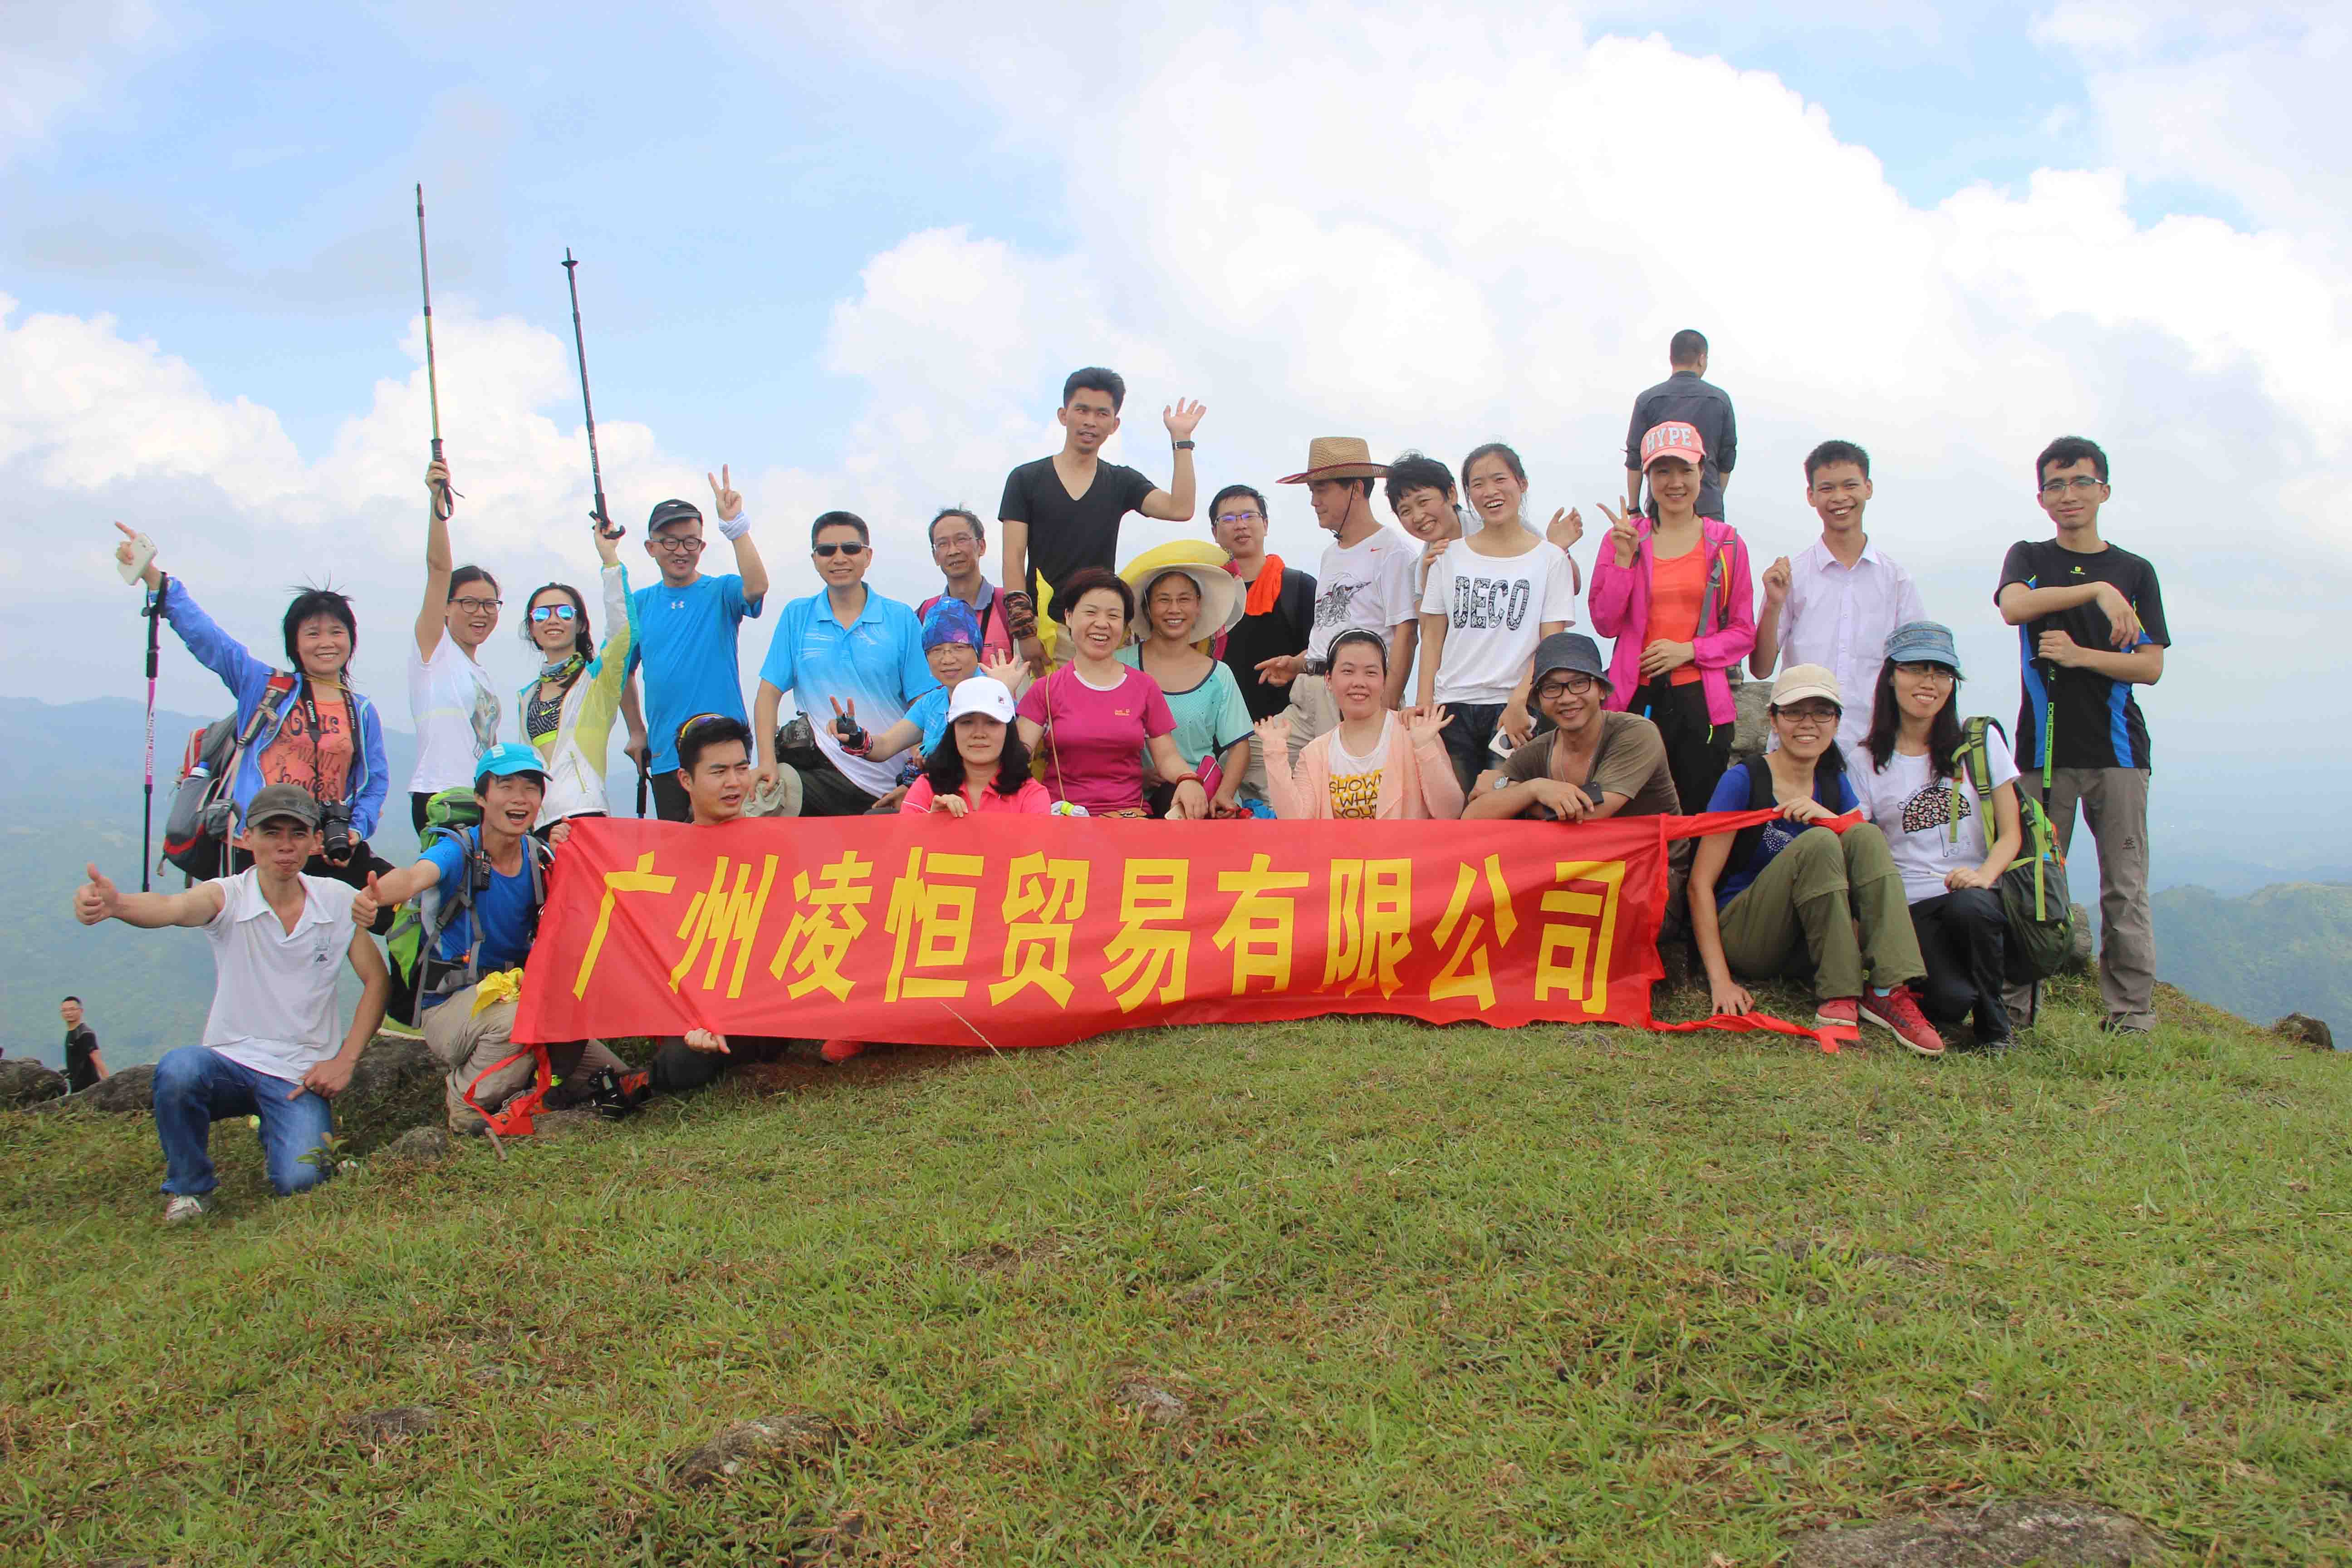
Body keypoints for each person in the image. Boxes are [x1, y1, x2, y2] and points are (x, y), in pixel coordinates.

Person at [71, 784, 389, 1222]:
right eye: (271, 832)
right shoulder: (227, 896)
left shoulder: (336, 900)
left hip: (299, 1074)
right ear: (247, 838)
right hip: (228, 1062)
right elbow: (170, 907)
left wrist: (345, 1060)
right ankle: (190, 1187)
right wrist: (117, 904)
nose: (284, 845)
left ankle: (276, 1128)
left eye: (297, 833)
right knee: (179, 1070)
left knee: (301, 1182)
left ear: (316, 841)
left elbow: (376, 980)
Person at [356, 745, 631, 1132]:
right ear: (482, 798)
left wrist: (571, 844)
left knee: (615, 1076)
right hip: (450, 1006)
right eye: (506, 786)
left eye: (531, 787)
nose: (520, 798)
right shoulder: (459, 851)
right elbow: (416, 876)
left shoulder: (539, 855)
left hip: (513, 998)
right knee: (521, 1022)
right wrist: (378, 895)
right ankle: (466, 1103)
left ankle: (528, 1089)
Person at [116, 526, 396, 903]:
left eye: (337, 632)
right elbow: (210, 641)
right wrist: (155, 578)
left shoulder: (360, 711)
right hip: (255, 846)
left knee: (400, 904)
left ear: (351, 639)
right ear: (295, 643)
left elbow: (373, 782)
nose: (326, 643)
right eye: (312, 633)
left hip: (323, 846)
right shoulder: (266, 687)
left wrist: (356, 830)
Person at [1996, 435, 2168, 1034]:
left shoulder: (2136, 571)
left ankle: (2131, 1016)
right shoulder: (2029, 556)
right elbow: (2016, 607)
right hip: (2041, 753)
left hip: (2119, 753)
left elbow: (2150, 667)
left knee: (2125, 887)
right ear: (2042, 498)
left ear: (2105, 490)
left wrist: (2077, 655)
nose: (2069, 495)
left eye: (2081, 483)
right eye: (2057, 485)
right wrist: (2096, 590)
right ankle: (2013, 1014)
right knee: (2030, 883)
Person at [1686, 666, 1945, 1055]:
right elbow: (1699, 884)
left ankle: (1889, 989)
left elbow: (1863, 849)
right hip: (1746, 936)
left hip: (1803, 942)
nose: (1808, 724)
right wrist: (1720, 981)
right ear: (1773, 720)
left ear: (1837, 722)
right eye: (1794, 712)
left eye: (1821, 713)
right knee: (1821, 841)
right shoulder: (1744, 780)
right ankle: (1839, 992)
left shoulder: (1831, 779)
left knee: (1865, 833)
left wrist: (1829, 817)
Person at [1855, 623, 2021, 1051]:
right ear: (1891, 675)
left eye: (1941, 673)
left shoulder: (1980, 744)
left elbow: (2011, 834)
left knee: (1973, 905)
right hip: (1911, 906)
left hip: (1977, 897)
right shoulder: (1866, 760)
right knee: (1949, 1003)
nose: (1928, 683)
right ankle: (1956, 993)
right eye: (1915, 669)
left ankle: (1995, 1026)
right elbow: (1863, 845)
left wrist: (1984, 875)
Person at [1590, 421, 1757, 824]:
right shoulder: (1625, 538)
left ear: (1703, 473)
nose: (1675, 482)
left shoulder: (1728, 543)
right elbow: (1605, 623)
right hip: (1635, 698)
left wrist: (1689, 651)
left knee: (1696, 816)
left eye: (1685, 470)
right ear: (1647, 478)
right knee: (1629, 816)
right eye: (1662, 471)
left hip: (1703, 701)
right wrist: (1625, 561)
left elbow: (1743, 632)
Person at [999, 368, 1206, 670]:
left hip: (1101, 628)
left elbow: (1180, 508)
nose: (1090, 422)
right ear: (1063, 414)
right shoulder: (1025, 479)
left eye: (1101, 414)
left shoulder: (1121, 481)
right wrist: (1024, 631)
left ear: (1114, 424)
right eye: (1081, 410)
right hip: (1043, 629)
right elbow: (1013, 559)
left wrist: (1182, 440)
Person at [648, 715, 808, 1085]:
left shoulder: (778, 845)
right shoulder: (666, 859)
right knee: (682, 1063)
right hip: (700, 1005)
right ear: (686, 780)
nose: (734, 783)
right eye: (718, 772)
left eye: (741, 768)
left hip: (770, 1002)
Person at [1415, 442, 1580, 791]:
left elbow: (1552, 643)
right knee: (1451, 816)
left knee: (1501, 813)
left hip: (1516, 707)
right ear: (1468, 495)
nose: (1490, 492)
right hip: (1452, 708)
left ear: (1522, 484)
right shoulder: (1448, 556)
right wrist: (1424, 708)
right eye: (1477, 484)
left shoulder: (1551, 560)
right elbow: (1431, 636)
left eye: (1500, 479)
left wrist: (1522, 701)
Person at [751, 512, 939, 817]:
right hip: (820, 772)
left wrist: (917, 779)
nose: (839, 558)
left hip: (888, 779)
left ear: (868, 555)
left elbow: (925, 702)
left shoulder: (901, 618)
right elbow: (768, 693)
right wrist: (766, 763)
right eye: (827, 550)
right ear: (815, 558)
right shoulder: (797, 616)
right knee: (758, 804)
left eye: (850, 548)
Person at [1750, 441, 1926, 757]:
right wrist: (1774, 604)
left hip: (1874, 746)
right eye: (1827, 488)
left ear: (1868, 488)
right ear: (1811, 496)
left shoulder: (1897, 580)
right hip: (1800, 747)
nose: (1840, 498)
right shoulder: (1793, 575)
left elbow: (1915, 668)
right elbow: (1761, 669)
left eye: (1850, 485)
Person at [621, 469, 771, 823]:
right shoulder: (638, 604)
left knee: (737, 855)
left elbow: (758, 587)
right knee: (679, 862)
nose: (681, 551)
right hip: (668, 757)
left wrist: (735, 526)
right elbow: (622, 673)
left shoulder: (721, 591)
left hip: (727, 757)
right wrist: (635, 731)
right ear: (651, 548)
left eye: (691, 541)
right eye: (670, 541)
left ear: (702, 546)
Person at [1270, 437, 1421, 766]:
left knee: (1341, 792)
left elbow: (1407, 634)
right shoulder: (1330, 554)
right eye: (1312, 491)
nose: (1314, 502)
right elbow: (1335, 625)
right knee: (1257, 759)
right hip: (1307, 690)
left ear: (1355, 489)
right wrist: (1297, 663)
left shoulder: (1393, 551)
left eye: (1321, 489)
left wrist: (1388, 706)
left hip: (1352, 692)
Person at [1014, 568, 1210, 818]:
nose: (1102, 623)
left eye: (1114, 615)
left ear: (1125, 627)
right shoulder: (1046, 689)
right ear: (1069, 617)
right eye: (1091, 612)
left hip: (1129, 820)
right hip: (1062, 820)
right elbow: (1019, 754)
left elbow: (1168, 757)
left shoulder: (1144, 687)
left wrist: (1188, 779)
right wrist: (1001, 695)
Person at [1464, 633, 1680, 824]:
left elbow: (1593, 812)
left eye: (1579, 684)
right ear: (1540, 700)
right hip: (1578, 863)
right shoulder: (1536, 751)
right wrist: (1534, 789)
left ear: (1602, 689)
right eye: (1552, 688)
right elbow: (1472, 816)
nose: (1567, 698)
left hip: (1652, 863)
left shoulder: (1636, 733)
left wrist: (1516, 795)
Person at [837, 598, 1029, 807]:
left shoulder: (998, 691)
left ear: (976, 649)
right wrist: (856, 738)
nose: (947, 660)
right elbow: (885, 746)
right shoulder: (930, 704)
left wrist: (941, 748)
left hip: (994, 802)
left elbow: (1019, 753)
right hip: (937, 802)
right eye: (936, 650)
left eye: (958, 647)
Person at [1259, 630, 1461, 820]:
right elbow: (1297, 822)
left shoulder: (1416, 732)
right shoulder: (1314, 753)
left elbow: (1450, 813)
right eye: (1348, 671)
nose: (1359, 682)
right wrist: (1275, 754)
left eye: (1371, 673)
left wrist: (1425, 748)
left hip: (1404, 858)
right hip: (1342, 859)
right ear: (1329, 679)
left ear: (1384, 680)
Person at [516, 518, 634, 831]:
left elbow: (623, 634)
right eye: (541, 614)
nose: (553, 620)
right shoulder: (526, 697)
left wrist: (610, 561)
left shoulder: (599, 682)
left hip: (585, 816)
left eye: (565, 612)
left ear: (581, 624)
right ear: (532, 628)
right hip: (535, 826)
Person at [409, 457, 505, 828]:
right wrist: (438, 504)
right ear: (446, 607)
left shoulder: (480, 673)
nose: (480, 613)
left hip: (479, 799)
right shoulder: (434, 652)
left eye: (489, 604)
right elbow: (439, 570)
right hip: (441, 798)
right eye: (468, 603)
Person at [1117, 561, 1253, 816]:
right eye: (1163, 600)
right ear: (1147, 608)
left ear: (1198, 605)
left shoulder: (1219, 675)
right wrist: (1134, 775)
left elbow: (1239, 747)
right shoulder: (1121, 666)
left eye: (1184, 599)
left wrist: (1224, 794)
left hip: (1203, 797)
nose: (1174, 609)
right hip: (1133, 799)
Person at [1208, 483, 1316, 802]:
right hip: (1220, 740)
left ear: (1266, 525)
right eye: (1228, 519)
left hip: (1287, 737)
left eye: (1249, 516)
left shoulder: (1298, 586)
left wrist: (1294, 664)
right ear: (1214, 532)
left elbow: (1325, 653)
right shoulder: (1207, 591)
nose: (1240, 524)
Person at [1625, 329, 1736, 519]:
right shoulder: (1720, 400)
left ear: (1671, 359)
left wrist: (1634, 509)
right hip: (1708, 508)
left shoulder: (1647, 400)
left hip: (1661, 508)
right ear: (1702, 358)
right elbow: (1727, 461)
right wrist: (1714, 496)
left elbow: (1635, 458)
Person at [903, 677, 1053, 816]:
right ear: (953, 730)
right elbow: (905, 842)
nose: (979, 734)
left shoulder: (1032, 795)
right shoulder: (926, 787)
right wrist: (931, 824)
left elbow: (1036, 845)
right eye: (967, 722)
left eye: (992, 723)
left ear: (1009, 730)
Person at [917, 507, 1017, 664]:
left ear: (982, 546)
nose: (953, 551)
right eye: (943, 544)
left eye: (961, 540)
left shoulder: (1009, 606)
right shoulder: (926, 613)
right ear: (935, 556)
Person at [61, 996, 109, 1092]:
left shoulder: (85, 1034)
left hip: (88, 1088)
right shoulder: (72, 1032)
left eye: (72, 1009)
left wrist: (110, 1083)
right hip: (76, 1087)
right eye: (65, 1010)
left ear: (81, 1011)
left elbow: (98, 1060)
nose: (68, 1013)